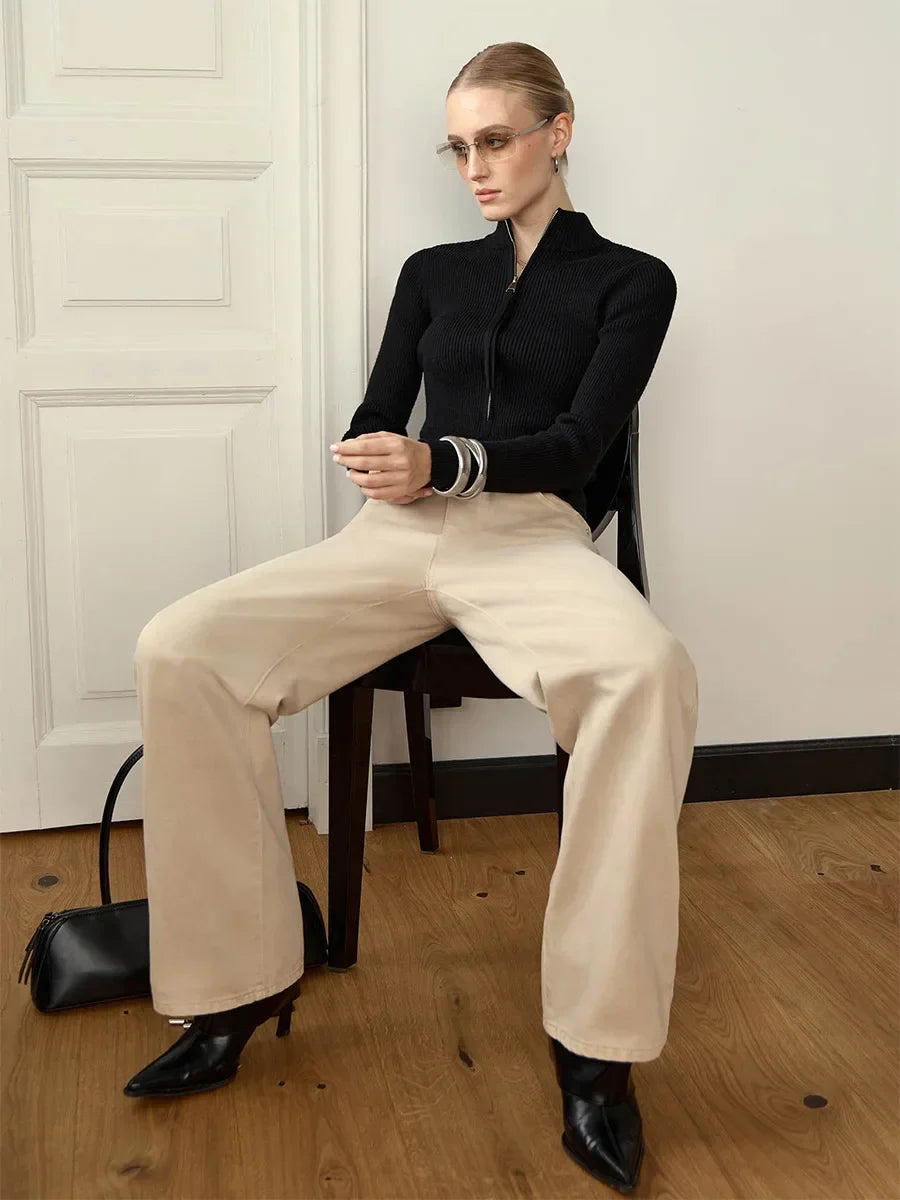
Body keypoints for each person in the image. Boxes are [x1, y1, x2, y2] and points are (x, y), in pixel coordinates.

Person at [124, 40, 697, 1195]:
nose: (474, 167)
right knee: (180, 647)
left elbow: (577, 445)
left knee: (646, 672)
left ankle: (597, 1052)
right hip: (394, 539)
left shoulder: (633, 282)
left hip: (530, 535)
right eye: (458, 148)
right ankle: (235, 989)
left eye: (495, 140)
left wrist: (451, 460)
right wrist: (377, 451)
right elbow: (379, 407)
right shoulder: (434, 272)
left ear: (558, 133)